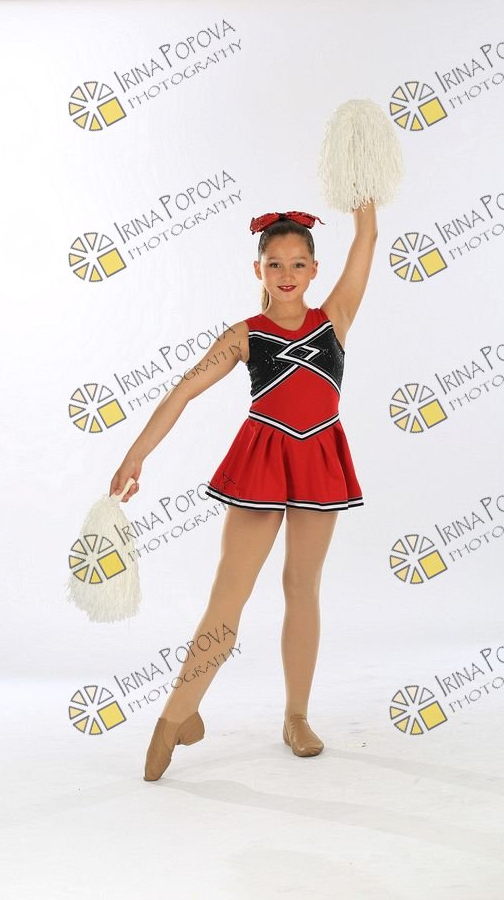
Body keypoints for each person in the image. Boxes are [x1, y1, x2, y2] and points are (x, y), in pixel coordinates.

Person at [109, 203, 378, 781]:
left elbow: (368, 238)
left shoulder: (334, 318)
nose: (287, 273)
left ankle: (296, 716)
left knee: (302, 587)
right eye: (275, 263)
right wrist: (136, 455)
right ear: (258, 269)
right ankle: (176, 715)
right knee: (229, 594)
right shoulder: (245, 335)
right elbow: (183, 391)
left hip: (318, 459)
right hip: (262, 461)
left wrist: (365, 199)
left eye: (299, 263)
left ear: (314, 269)